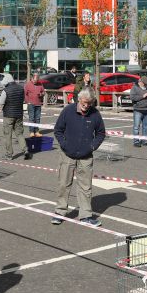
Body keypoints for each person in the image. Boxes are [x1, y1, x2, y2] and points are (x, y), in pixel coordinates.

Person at [51, 87, 106, 226]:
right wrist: (64, 144)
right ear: (79, 99)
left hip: (86, 157)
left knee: (85, 186)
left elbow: (100, 133)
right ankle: (60, 212)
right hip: (67, 154)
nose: (86, 106)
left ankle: (86, 215)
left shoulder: (95, 114)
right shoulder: (68, 111)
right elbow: (58, 130)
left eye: (89, 103)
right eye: (84, 103)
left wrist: (92, 147)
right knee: (63, 184)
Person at [0, 78, 29, 160]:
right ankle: (25, 150)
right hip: (19, 114)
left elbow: (1, 102)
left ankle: (9, 154)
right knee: (19, 134)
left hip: (8, 115)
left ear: (7, 82)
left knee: (8, 135)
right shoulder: (21, 88)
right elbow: (23, 100)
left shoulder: (6, 90)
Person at [129, 76, 147, 147]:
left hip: (146, 109)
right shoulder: (134, 88)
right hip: (138, 110)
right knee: (136, 127)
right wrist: (143, 96)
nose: (145, 85)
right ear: (141, 82)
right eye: (144, 83)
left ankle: (145, 141)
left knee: (146, 127)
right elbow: (132, 97)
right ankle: (136, 141)